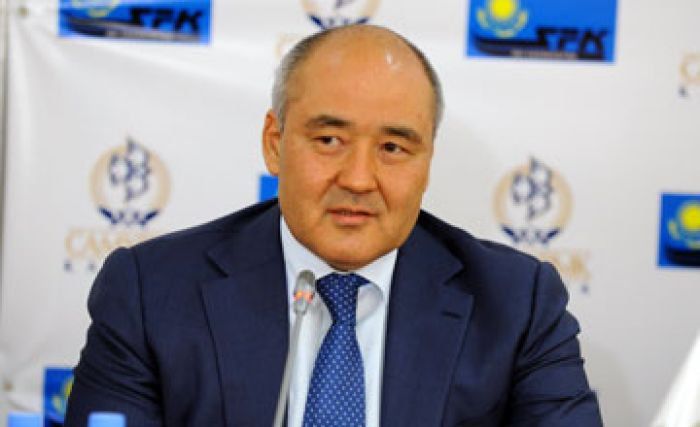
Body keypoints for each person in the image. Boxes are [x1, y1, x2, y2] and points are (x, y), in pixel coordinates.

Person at [65, 25, 603, 426]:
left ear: (427, 162)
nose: (359, 179)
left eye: (393, 148)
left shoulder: (516, 305)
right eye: (329, 141)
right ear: (275, 144)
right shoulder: (152, 293)